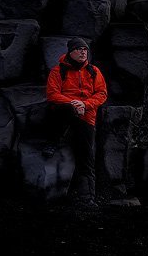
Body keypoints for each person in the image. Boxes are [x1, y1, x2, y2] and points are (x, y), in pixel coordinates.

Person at [45, 37, 108, 206]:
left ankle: (87, 198)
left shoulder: (94, 71)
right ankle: (53, 141)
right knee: (60, 108)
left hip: (86, 116)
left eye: (85, 49)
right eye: (79, 49)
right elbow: (52, 94)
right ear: (70, 52)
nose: (83, 52)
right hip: (65, 111)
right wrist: (73, 104)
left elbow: (102, 94)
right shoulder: (58, 71)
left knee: (86, 157)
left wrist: (85, 104)